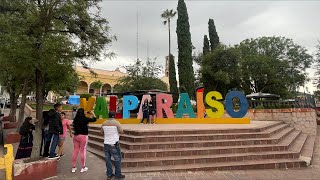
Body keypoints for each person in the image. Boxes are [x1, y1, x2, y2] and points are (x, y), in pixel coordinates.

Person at [101, 112, 125, 180]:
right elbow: (121, 131)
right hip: (114, 144)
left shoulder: (104, 123)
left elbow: (101, 132)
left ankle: (109, 175)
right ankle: (118, 175)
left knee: (108, 160)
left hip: (106, 144)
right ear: (114, 116)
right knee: (117, 159)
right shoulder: (116, 123)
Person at [71, 108, 97, 173]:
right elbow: (94, 119)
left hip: (76, 136)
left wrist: (85, 113)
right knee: (82, 151)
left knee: (75, 151)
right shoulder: (85, 119)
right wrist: (92, 113)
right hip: (83, 136)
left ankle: (73, 167)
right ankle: (83, 167)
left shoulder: (75, 119)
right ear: (82, 113)